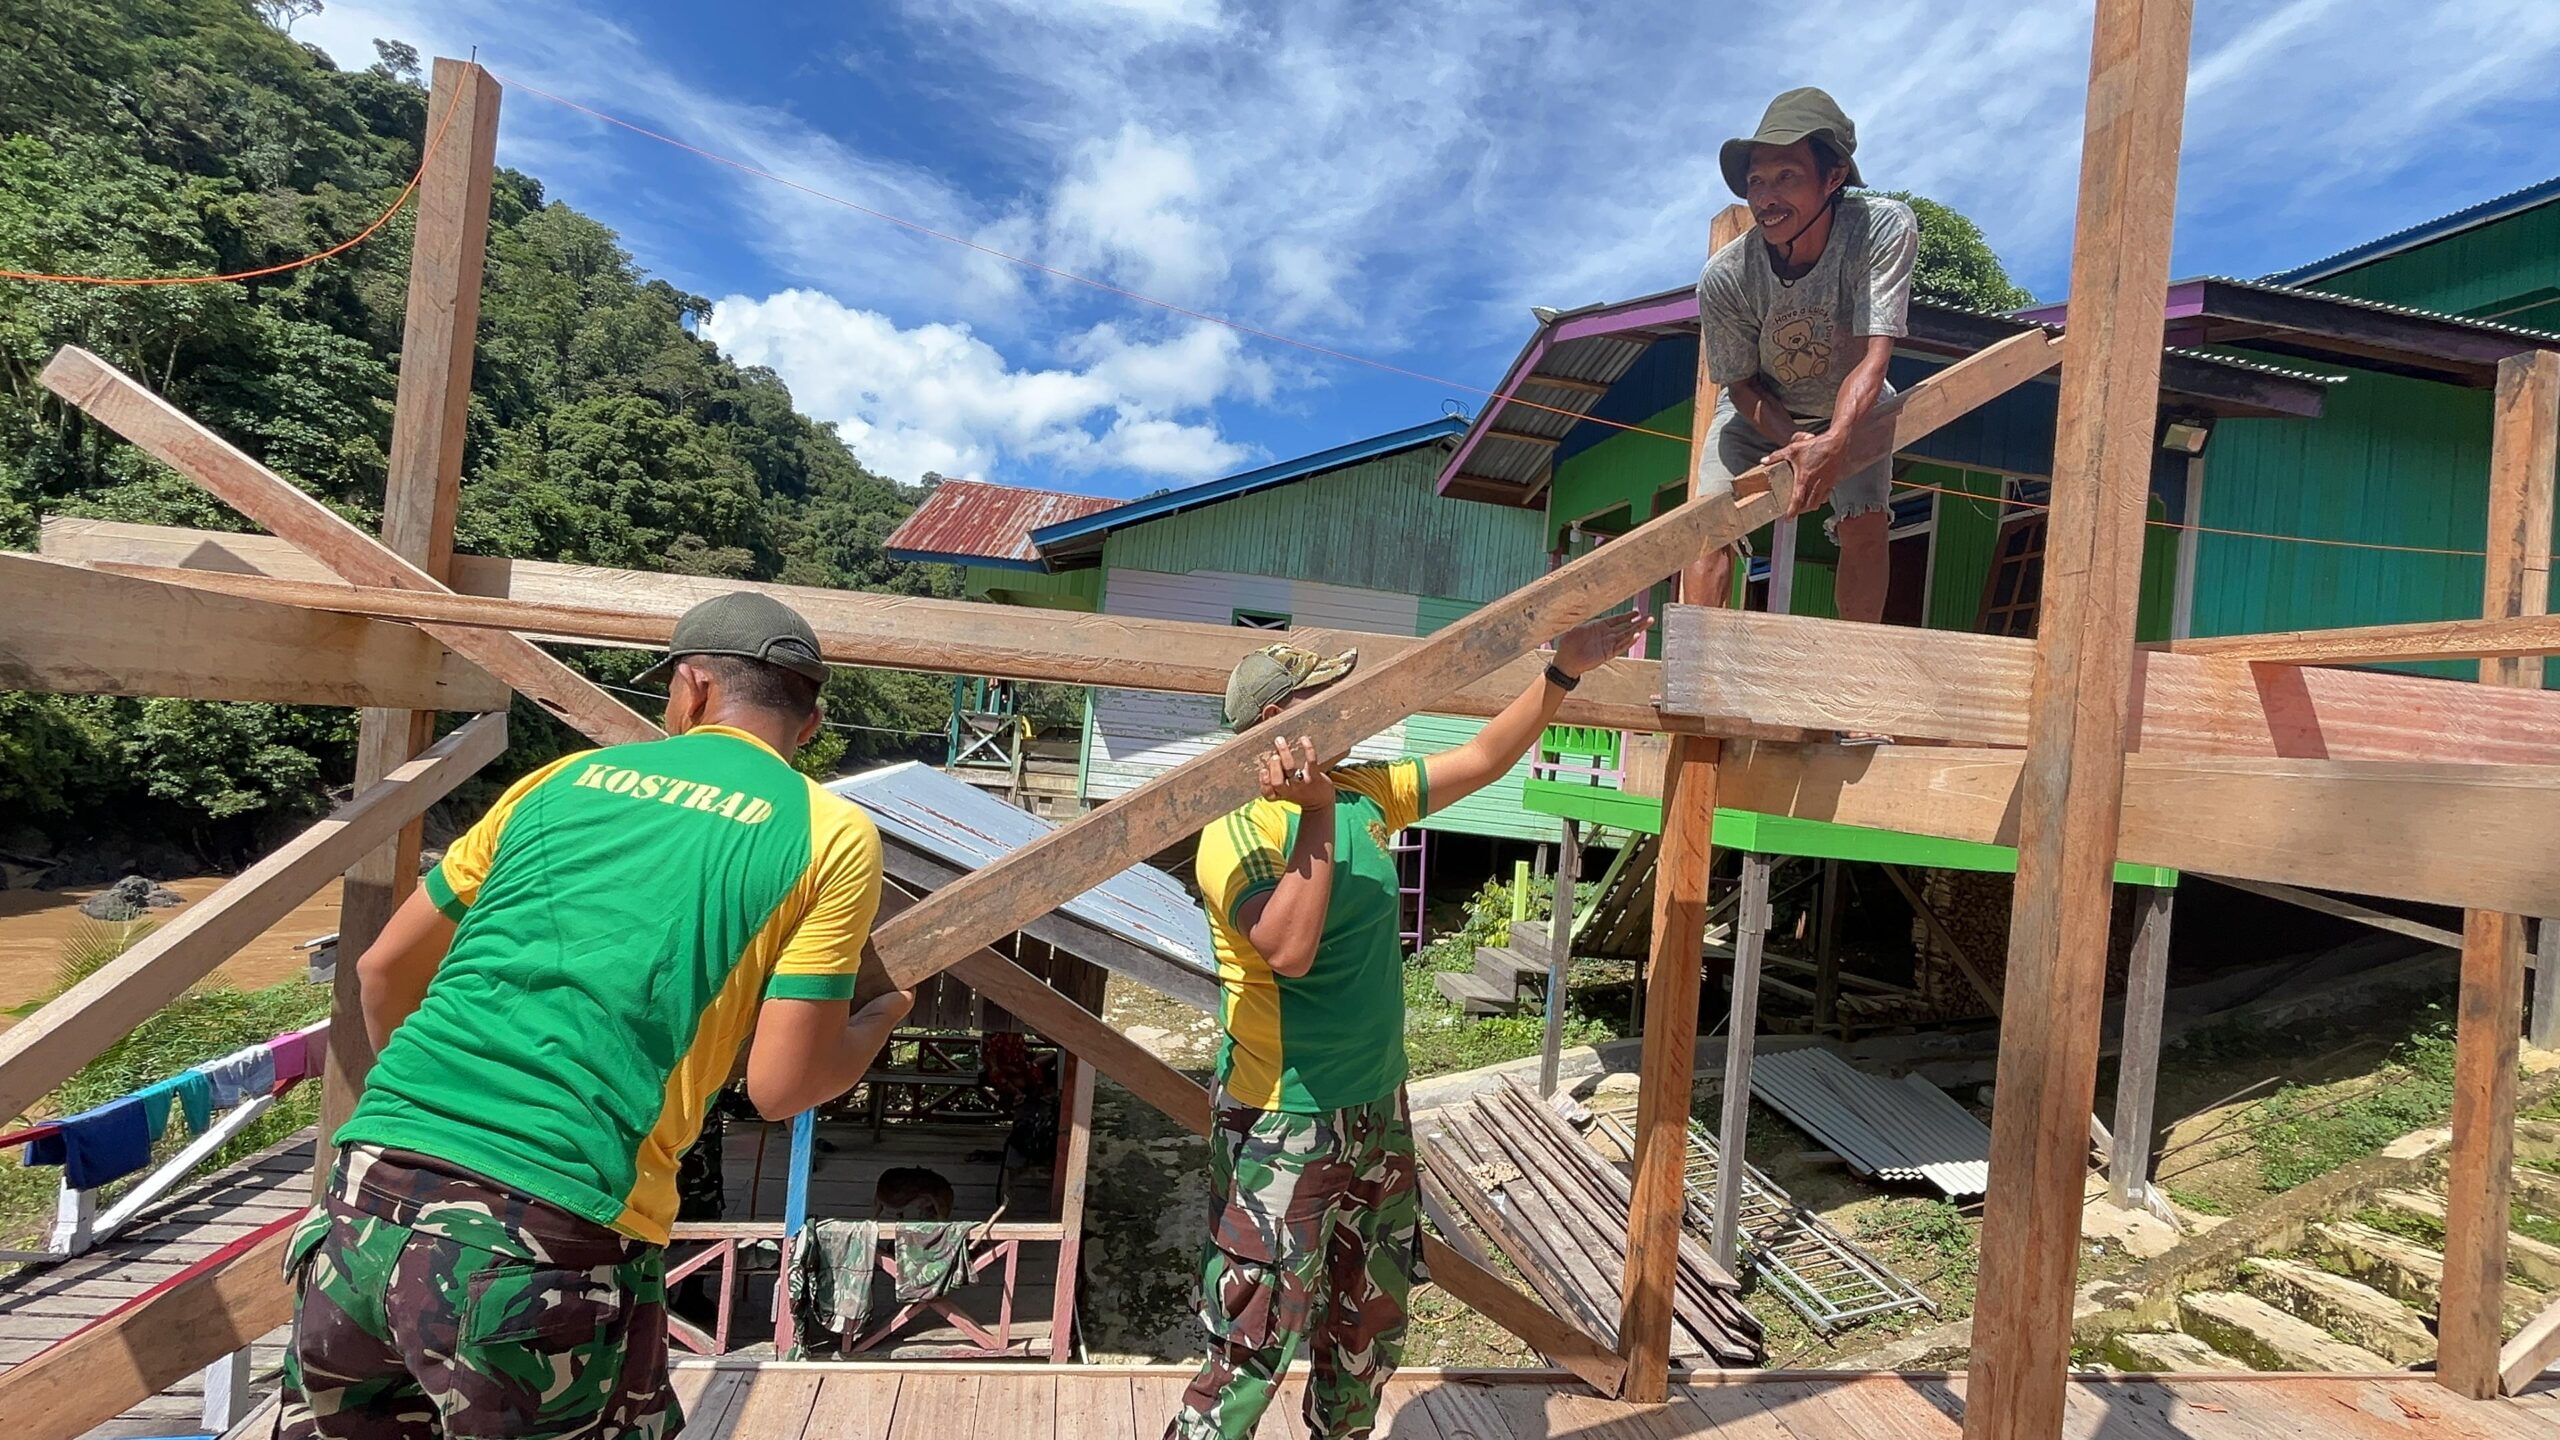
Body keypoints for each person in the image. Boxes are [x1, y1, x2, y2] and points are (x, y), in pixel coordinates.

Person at [278, 592, 915, 1440]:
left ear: (690, 690)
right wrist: (877, 1023)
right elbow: (781, 1085)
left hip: (364, 1200)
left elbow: (382, 969)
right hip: (547, 1232)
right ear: (812, 722)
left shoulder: (560, 780)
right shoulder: (827, 832)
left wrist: (428, 1114)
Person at [1165, 610, 1648, 1440]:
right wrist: (1314, 813)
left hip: (1375, 1112)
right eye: (1331, 699)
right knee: (1254, 1334)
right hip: (1284, 1118)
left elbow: (1484, 756)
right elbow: (1288, 947)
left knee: (1367, 1318)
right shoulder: (1235, 828)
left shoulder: (1362, 794)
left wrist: (1562, 671)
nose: (1354, 709)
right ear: (1281, 724)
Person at [1694, 86, 1918, 647]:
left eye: (1787, 177)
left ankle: (1852, 687)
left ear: (1834, 175)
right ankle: (1694, 673)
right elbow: (1740, 385)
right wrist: (1793, 440)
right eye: (1756, 182)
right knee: (1704, 527)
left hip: (1854, 402)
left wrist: (1837, 438)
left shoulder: (1881, 230)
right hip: (1760, 409)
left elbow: (1875, 354)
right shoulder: (1726, 276)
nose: (1766, 197)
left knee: (1864, 523)